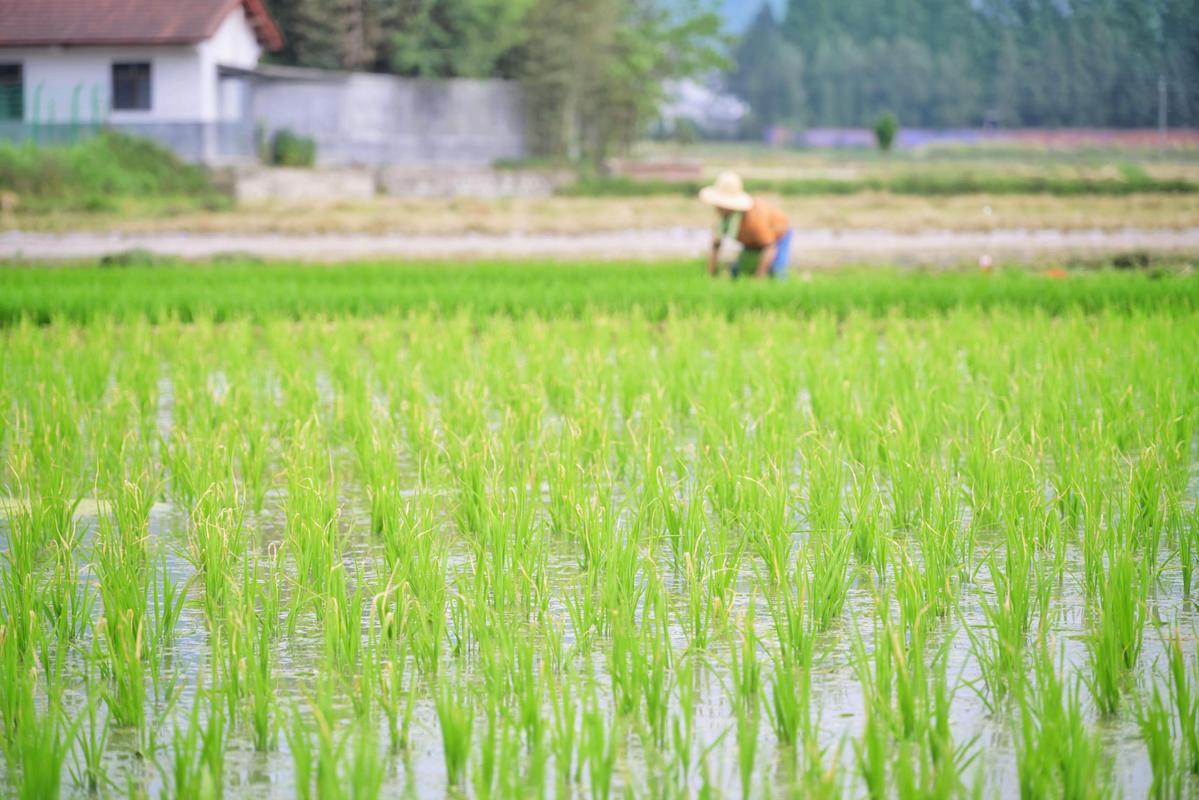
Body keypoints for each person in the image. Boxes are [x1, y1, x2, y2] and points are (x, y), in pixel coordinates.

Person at [700, 171, 794, 279]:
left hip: (778, 236)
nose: (718, 208)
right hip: (751, 242)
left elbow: (770, 247)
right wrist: (711, 274)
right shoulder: (723, 219)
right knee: (737, 271)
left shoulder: (754, 219)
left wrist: (759, 278)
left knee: (778, 273)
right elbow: (715, 245)